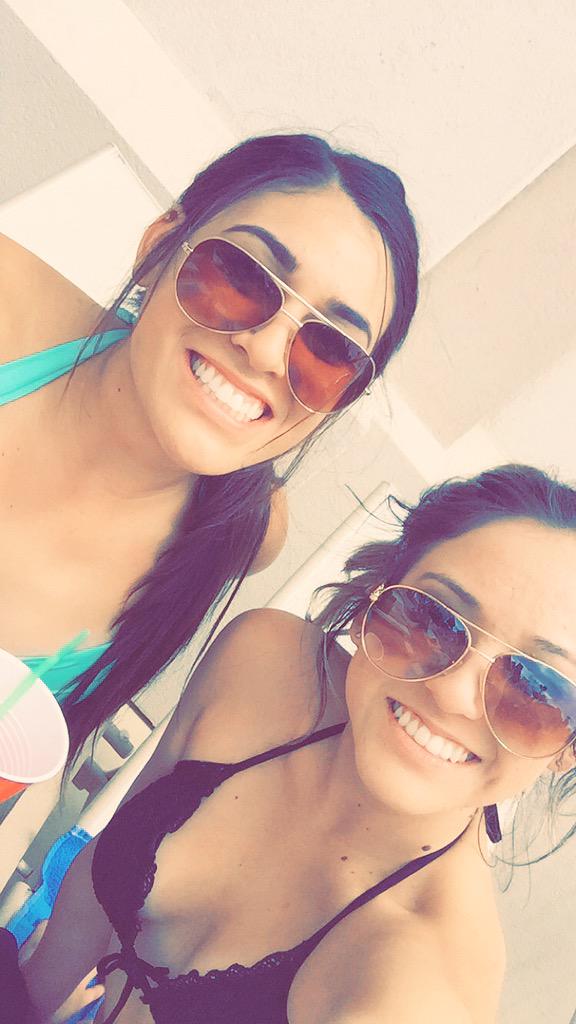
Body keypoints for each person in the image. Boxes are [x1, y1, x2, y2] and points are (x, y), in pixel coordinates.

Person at [21, 464, 576, 1023]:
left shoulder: (422, 985)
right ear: (373, 601)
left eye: (538, 689)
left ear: (567, 750)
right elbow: (98, 877)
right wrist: (26, 999)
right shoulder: (264, 662)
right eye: (432, 618)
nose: (453, 695)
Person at [0, 132, 417, 766]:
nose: (267, 351)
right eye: (243, 277)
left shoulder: (239, 531)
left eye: (330, 348)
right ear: (159, 248)